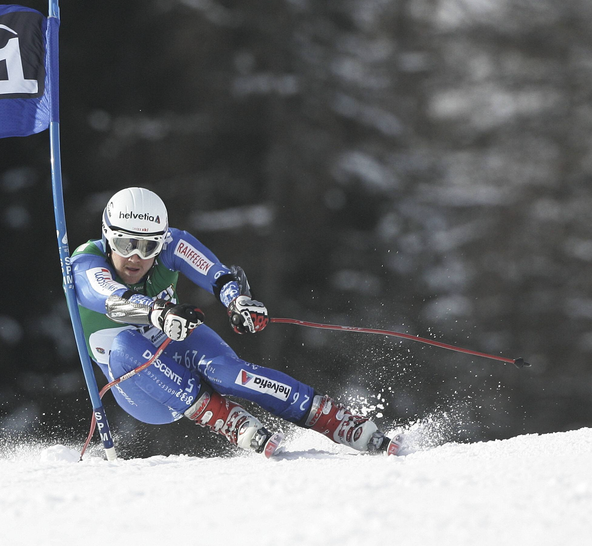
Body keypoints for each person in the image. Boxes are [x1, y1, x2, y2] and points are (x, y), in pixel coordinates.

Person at [72, 186, 400, 458]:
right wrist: (159, 312)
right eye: (126, 244)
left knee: (229, 372)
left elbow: (216, 274)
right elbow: (111, 298)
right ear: (107, 236)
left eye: (149, 247)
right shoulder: (85, 262)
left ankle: (336, 420)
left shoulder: (172, 244)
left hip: (172, 343)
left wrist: (237, 301)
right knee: (124, 344)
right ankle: (226, 418)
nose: (137, 257)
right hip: (145, 391)